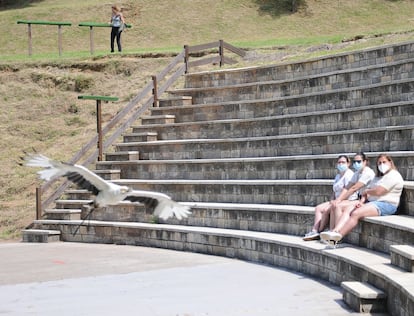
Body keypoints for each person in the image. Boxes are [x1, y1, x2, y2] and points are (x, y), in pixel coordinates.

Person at [321, 154, 404, 244]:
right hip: (372, 202)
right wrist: (361, 201)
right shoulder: (377, 177)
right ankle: (335, 231)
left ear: (390, 162)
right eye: (379, 163)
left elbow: (379, 191)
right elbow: (366, 192)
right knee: (349, 209)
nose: (381, 165)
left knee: (356, 213)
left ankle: (337, 238)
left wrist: (367, 192)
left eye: (384, 162)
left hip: (387, 204)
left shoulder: (394, 175)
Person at [303, 155, 357, 241]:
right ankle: (315, 230)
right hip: (336, 199)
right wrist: (332, 199)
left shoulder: (349, 174)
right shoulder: (338, 176)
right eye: (339, 162)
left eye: (343, 162)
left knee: (329, 209)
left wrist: (337, 200)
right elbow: (334, 191)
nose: (341, 164)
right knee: (318, 208)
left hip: (347, 199)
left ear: (348, 163)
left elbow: (347, 190)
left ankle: (325, 231)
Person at [327, 152, 375, 234]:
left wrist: (339, 200)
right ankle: (331, 231)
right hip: (361, 199)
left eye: (359, 161)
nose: (356, 164)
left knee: (338, 206)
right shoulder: (357, 173)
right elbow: (348, 187)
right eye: (355, 162)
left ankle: (336, 232)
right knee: (334, 205)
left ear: (365, 162)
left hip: (368, 200)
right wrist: (338, 199)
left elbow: (354, 188)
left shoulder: (368, 173)